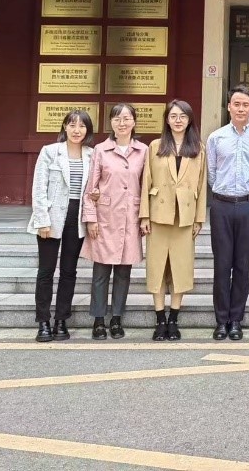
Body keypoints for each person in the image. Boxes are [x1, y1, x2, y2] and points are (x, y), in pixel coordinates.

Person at [206, 85, 249, 341]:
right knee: (222, 265)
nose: (241, 109)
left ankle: (236, 320)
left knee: (242, 264)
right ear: (229, 107)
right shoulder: (216, 138)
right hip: (221, 205)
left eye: (245, 104)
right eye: (236, 104)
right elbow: (211, 174)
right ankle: (221, 320)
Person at [139, 100, 208, 342]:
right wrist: (144, 215)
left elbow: (202, 185)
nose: (178, 120)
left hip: (185, 217)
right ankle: (160, 320)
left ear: (189, 120)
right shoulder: (155, 146)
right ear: (167, 120)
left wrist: (199, 218)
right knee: (157, 268)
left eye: (183, 116)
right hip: (158, 215)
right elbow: (146, 182)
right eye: (173, 116)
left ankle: (174, 320)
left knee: (181, 269)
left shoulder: (198, 148)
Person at [27, 109, 95, 342]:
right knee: (46, 271)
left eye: (82, 126)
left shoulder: (92, 155)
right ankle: (43, 322)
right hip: (52, 216)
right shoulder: (50, 151)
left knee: (69, 271)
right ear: (65, 127)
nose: (77, 130)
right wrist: (42, 220)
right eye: (72, 125)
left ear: (88, 130)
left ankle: (61, 320)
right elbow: (39, 188)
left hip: (77, 218)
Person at [82, 103, 147, 341]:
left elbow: (146, 186)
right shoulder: (101, 150)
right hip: (105, 217)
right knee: (100, 272)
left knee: (123, 273)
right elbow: (91, 188)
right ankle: (99, 320)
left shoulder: (143, 151)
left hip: (130, 217)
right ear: (111, 122)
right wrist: (90, 219)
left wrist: (145, 217)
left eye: (127, 118)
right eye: (117, 118)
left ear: (134, 122)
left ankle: (117, 318)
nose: (122, 123)